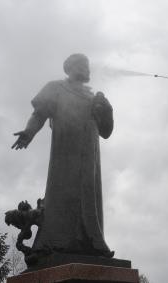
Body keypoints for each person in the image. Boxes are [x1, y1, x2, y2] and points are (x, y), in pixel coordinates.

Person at [12, 54, 114, 259]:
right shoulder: (56, 88)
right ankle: (55, 244)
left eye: (88, 65)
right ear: (69, 68)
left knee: (88, 198)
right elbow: (39, 114)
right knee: (62, 195)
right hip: (65, 153)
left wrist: (107, 110)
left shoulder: (94, 98)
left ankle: (91, 243)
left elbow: (106, 131)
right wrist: (29, 132)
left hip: (89, 158)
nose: (87, 69)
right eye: (82, 65)